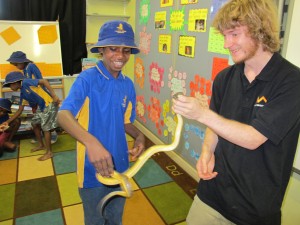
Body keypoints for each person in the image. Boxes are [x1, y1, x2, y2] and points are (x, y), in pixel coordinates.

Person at [172, 0, 300, 224]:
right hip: (211, 194)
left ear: (258, 29)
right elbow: (216, 123)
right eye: (224, 36)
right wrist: (206, 151)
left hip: (254, 209)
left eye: (233, 34)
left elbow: (253, 138)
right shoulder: (225, 77)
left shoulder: (291, 81)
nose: (226, 44)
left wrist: (201, 113)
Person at [57, 20, 145, 225]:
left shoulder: (127, 84)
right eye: (113, 49)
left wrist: (139, 136)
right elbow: (63, 115)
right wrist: (92, 143)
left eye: (126, 50)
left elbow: (125, 122)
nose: (120, 56)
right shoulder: (87, 79)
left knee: (115, 218)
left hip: (121, 167)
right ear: (102, 50)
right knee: (95, 219)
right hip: (91, 171)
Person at [2, 71, 60, 161]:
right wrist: (7, 122)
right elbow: (20, 110)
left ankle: (49, 153)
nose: (10, 87)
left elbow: (44, 81)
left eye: (10, 85)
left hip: (49, 104)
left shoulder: (26, 82)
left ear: (15, 82)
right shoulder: (22, 94)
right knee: (34, 124)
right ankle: (41, 145)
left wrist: (54, 95)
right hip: (41, 107)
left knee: (46, 128)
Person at [7, 51, 58, 144]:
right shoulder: (25, 70)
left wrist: (52, 95)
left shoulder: (30, 66)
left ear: (22, 61)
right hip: (34, 97)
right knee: (38, 121)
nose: (16, 66)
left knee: (46, 120)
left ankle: (52, 133)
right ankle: (42, 135)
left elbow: (40, 82)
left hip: (40, 96)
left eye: (16, 64)